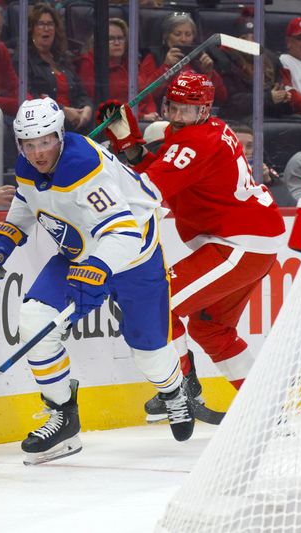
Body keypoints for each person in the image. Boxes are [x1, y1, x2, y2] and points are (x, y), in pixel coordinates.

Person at [0, 97, 195, 465]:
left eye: (45, 142)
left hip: (134, 256)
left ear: (59, 135)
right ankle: (63, 415)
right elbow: (27, 201)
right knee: (34, 322)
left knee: (150, 353)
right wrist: (6, 236)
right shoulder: (28, 166)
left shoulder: (83, 167)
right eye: (28, 145)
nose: (38, 152)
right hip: (79, 255)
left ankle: (175, 390)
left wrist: (97, 268)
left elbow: (123, 231)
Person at [98, 72, 286, 421]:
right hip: (250, 241)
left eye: (188, 110)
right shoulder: (203, 131)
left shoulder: (194, 142)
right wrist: (131, 147)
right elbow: (166, 174)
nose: (179, 116)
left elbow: (147, 193)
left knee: (157, 301)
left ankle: (183, 386)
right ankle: (267, 409)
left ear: (204, 110)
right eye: (174, 107)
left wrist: (97, 167)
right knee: (211, 328)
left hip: (237, 243)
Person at [139, 13, 226, 113]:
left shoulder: (199, 58)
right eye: (177, 34)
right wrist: (166, 67)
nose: (183, 39)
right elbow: (146, 96)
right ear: (166, 36)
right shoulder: (154, 57)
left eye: (188, 34)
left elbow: (222, 97)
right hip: (165, 114)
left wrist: (209, 74)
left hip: (198, 114)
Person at [27, 3, 92, 132]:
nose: (46, 29)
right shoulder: (25, 60)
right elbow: (30, 97)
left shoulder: (62, 59)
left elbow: (81, 93)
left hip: (74, 121)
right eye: (41, 24)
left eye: (50, 24)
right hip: (45, 125)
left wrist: (87, 108)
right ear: (31, 29)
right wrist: (63, 110)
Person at [77, 18, 158, 121]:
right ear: (99, 42)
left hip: (143, 120)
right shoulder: (90, 63)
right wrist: (142, 117)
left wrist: (152, 113)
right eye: (110, 39)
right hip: (111, 121)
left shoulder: (132, 63)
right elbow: (97, 104)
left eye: (120, 38)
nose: (117, 43)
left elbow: (147, 97)